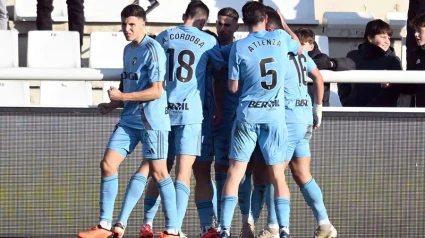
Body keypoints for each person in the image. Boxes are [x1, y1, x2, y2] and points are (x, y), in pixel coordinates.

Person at [77, 5, 179, 238]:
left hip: (152, 121)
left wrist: (121, 97)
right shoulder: (127, 49)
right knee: (107, 164)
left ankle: (173, 230)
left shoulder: (153, 50)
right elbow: (130, 81)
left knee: (159, 172)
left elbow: (155, 91)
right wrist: (114, 104)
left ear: (143, 24)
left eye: (132, 24)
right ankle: (104, 226)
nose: (127, 28)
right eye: (124, 24)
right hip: (130, 119)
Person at [139, 1, 226, 236]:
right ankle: (174, 229)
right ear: (203, 21)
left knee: (159, 170)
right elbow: (221, 68)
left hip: (162, 111)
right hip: (190, 113)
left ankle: (147, 224)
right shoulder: (208, 41)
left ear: (183, 15)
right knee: (185, 173)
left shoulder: (164, 36)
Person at [251, 7, 338, 238]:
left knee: (275, 173)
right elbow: (318, 78)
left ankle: (274, 228)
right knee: (302, 174)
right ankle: (325, 224)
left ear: (269, 29)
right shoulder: (299, 51)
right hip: (305, 117)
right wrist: (318, 108)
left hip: (287, 119)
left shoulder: (278, 50)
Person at [218, 2, 302, 237]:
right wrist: (284, 23)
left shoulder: (239, 46)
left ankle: (224, 229)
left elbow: (233, 88)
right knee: (277, 175)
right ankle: (284, 229)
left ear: (244, 22)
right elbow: (299, 48)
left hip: (247, 116)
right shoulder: (280, 38)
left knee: (235, 172)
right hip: (274, 117)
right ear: (266, 18)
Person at [212, 7, 256, 238]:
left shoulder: (240, 48)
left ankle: (245, 221)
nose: (222, 28)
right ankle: (218, 223)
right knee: (215, 169)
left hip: (237, 117)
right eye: (219, 23)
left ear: (237, 27)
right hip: (212, 117)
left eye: (227, 25)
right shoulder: (210, 46)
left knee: (244, 171)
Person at [338, 19, 402, 107]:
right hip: (354, 114)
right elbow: (343, 82)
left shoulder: (393, 60)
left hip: (383, 116)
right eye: (383, 37)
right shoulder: (353, 56)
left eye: (389, 38)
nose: (387, 41)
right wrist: (347, 102)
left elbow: (395, 91)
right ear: (370, 38)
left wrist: (371, 108)